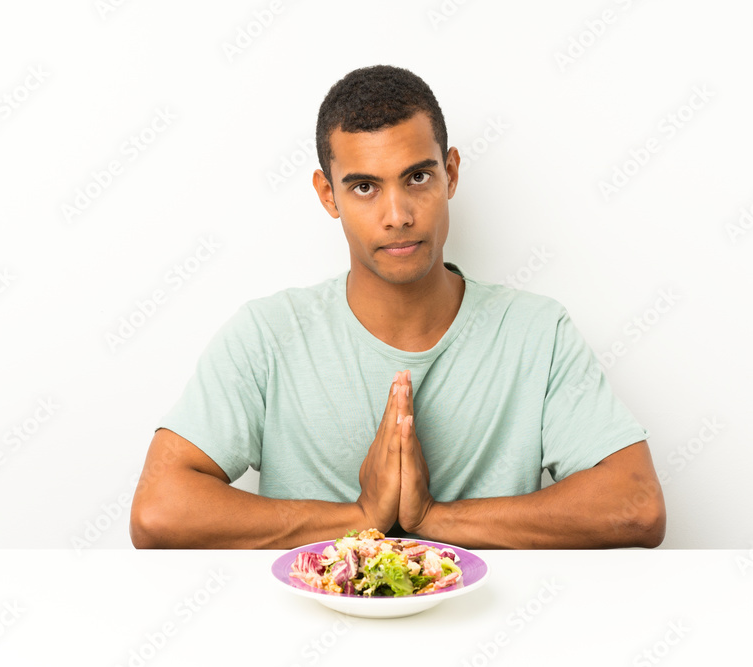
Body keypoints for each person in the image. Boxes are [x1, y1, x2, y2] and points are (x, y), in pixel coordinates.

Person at [130, 64, 665, 550]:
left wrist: (436, 518)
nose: (397, 214)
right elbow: (158, 511)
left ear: (450, 174)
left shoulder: (535, 332)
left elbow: (636, 506)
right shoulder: (269, 335)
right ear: (328, 195)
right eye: (364, 186)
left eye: (418, 177)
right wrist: (360, 517)